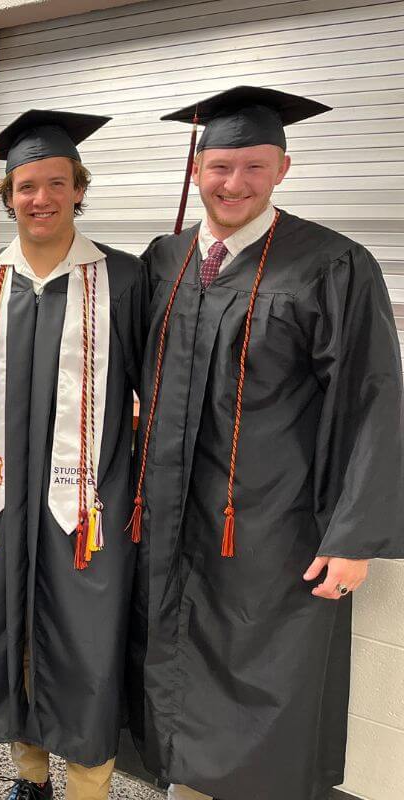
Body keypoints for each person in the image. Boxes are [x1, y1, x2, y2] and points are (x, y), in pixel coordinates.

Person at [128, 86, 404, 800]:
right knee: (173, 666)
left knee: (264, 690)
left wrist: (355, 538)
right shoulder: (165, 258)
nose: (235, 183)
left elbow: (374, 399)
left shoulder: (332, 264)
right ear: (196, 169)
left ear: (284, 167)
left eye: (255, 166)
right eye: (221, 166)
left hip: (274, 527)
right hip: (172, 518)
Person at [0, 110, 147, 800]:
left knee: (85, 643)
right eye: (25, 186)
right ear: (7, 197)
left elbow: (149, 386)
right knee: (7, 636)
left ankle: (89, 783)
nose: (40, 198)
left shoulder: (122, 278)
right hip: (1, 506)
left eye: (55, 183)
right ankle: (29, 777)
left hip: (87, 506)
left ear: (78, 189)